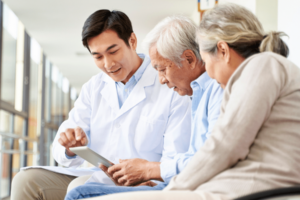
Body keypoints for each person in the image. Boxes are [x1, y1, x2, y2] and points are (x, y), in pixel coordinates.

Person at [80, 3, 300, 200]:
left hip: (252, 188)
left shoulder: (262, 66)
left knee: (84, 194)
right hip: (232, 185)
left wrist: (170, 190)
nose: (208, 73)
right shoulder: (257, 71)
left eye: (205, 60)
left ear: (222, 50)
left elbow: (224, 148)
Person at [10, 10, 192, 200]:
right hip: (100, 176)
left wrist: (150, 174)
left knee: (78, 187)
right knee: (26, 181)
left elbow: (177, 156)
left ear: (132, 41)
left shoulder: (169, 83)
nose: (108, 64)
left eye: (113, 51)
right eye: (98, 57)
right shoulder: (94, 88)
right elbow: (62, 148)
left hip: (147, 182)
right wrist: (70, 147)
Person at [65, 16, 224, 200]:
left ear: (189, 59)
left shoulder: (214, 90)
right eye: (98, 56)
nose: (161, 79)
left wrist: (149, 170)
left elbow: (208, 160)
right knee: (77, 187)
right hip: (173, 182)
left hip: (188, 187)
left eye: (163, 69)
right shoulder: (197, 93)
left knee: (80, 194)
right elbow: (192, 157)